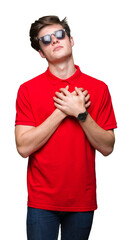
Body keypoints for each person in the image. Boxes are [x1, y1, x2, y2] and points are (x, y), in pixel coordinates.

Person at [15, 15, 117, 240]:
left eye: (59, 34)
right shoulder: (27, 90)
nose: (54, 41)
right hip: (42, 201)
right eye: (46, 40)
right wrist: (63, 110)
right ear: (41, 52)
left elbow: (108, 147)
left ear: (71, 40)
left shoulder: (99, 88)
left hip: (82, 200)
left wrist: (81, 114)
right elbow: (23, 147)